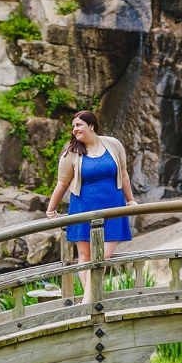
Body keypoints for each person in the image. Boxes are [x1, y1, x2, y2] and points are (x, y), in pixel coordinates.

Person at [47, 111, 138, 304]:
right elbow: (62, 184)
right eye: (73, 127)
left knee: (101, 255)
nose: (75, 129)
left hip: (113, 208)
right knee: (86, 256)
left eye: (79, 125)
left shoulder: (113, 145)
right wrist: (51, 210)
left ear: (92, 126)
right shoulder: (71, 154)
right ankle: (93, 298)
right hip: (83, 208)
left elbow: (123, 174)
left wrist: (130, 201)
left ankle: (88, 301)